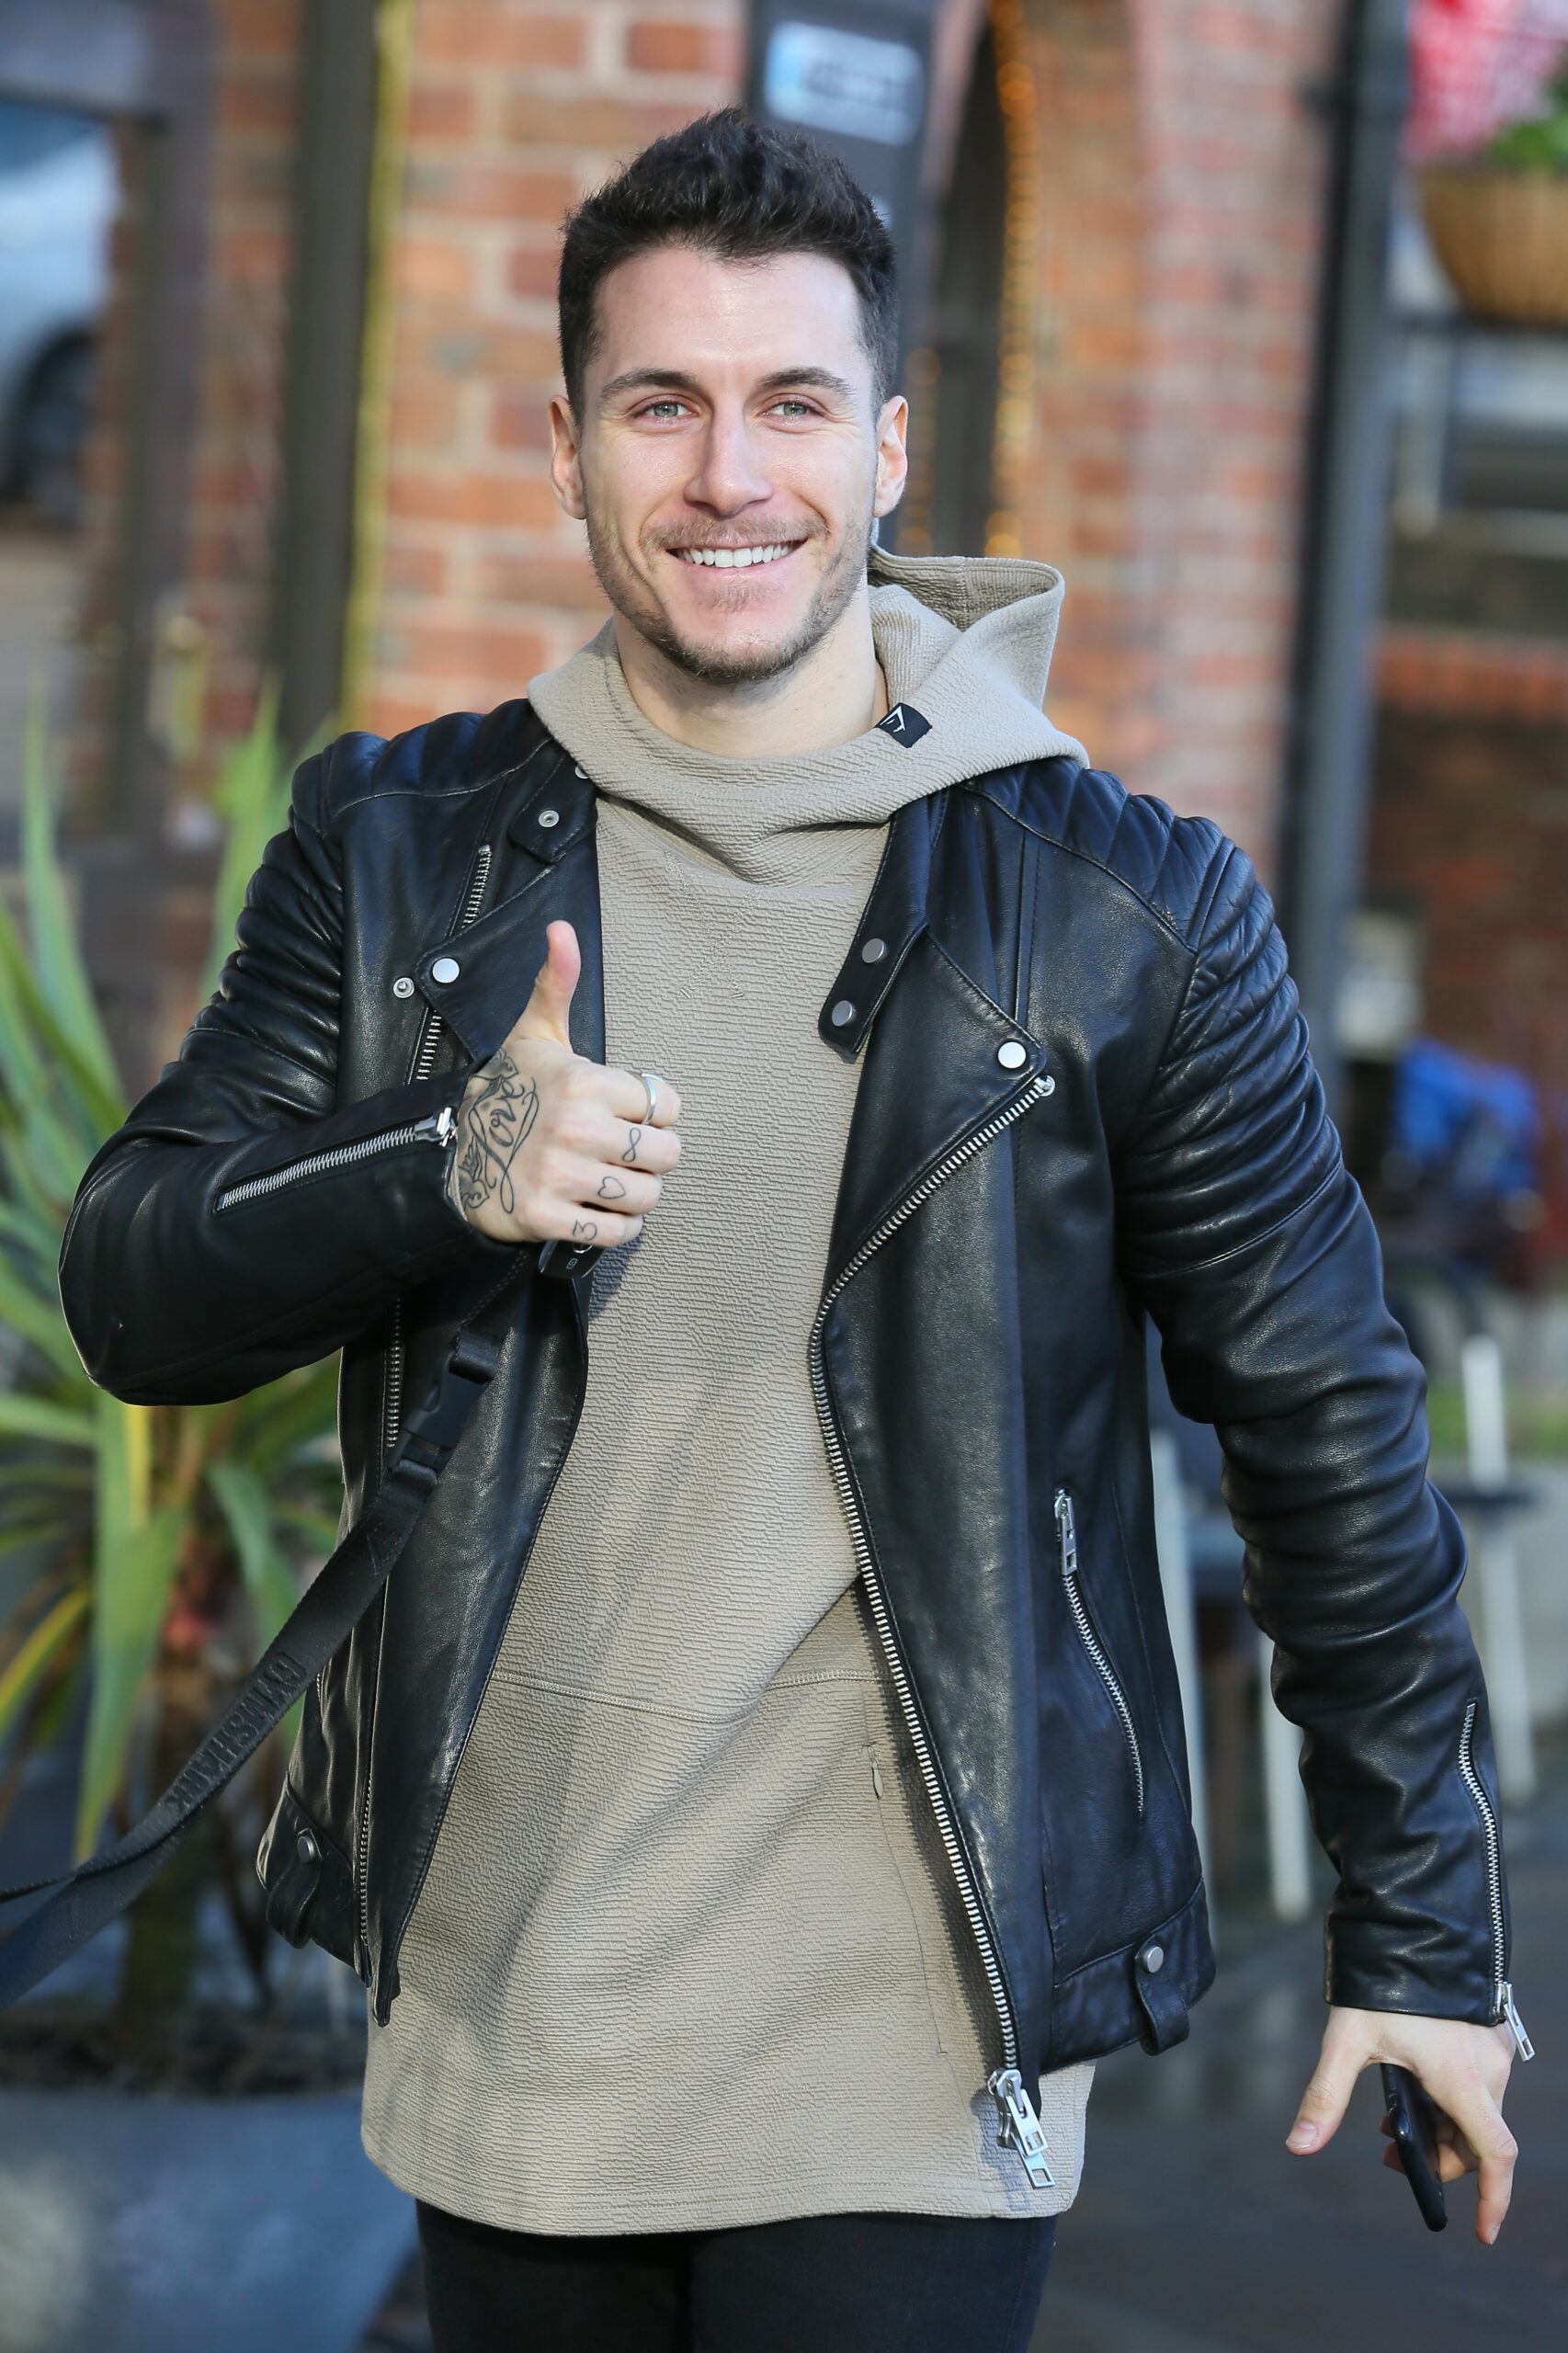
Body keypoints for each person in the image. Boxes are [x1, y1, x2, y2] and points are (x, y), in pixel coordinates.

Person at [60, 109, 1524, 2353]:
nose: (728, 473)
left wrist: (1424, 1942)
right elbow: (134, 1278)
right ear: (564, 444)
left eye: (791, 403)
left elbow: (1327, 1423)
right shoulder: (393, 854)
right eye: (662, 403)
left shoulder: (1114, 908)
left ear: (891, 444)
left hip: (903, 2043)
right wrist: (437, 1168)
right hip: (509, 2008)